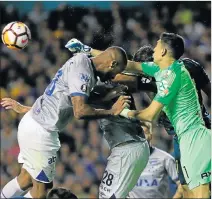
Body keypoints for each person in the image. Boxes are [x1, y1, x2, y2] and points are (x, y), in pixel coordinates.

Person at [65, 33, 211, 198]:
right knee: (188, 189)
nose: (154, 47)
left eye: (157, 45)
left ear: (162, 52)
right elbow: (127, 66)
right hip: (182, 137)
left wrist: (121, 111)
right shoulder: (160, 71)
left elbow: (149, 115)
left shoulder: (170, 77)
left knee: (201, 192)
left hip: (196, 133)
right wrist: (88, 50)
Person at [0, 47, 130, 199]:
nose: (113, 77)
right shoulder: (83, 72)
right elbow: (80, 111)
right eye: (115, 73)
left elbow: (64, 98)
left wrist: (107, 96)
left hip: (35, 123)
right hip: (41, 132)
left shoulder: (82, 61)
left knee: (27, 179)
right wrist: (111, 112)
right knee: (40, 192)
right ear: (112, 64)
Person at [1, 82, 150, 199]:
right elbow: (64, 111)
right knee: (27, 179)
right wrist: (27, 109)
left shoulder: (110, 91)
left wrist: (141, 118)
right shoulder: (94, 89)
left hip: (128, 150)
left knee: (40, 190)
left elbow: (72, 109)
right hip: (127, 149)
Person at [127, 122, 179, 198]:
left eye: (145, 133)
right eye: (139, 133)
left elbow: (182, 184)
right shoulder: (126, 159)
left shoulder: (165, 158)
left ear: (150, 135)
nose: (142, 137)